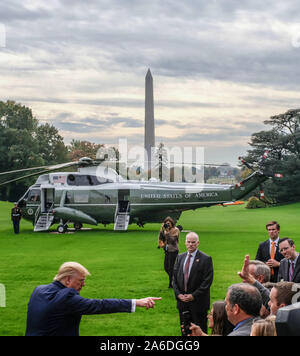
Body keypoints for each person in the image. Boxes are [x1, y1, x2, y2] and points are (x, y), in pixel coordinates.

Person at [25, 261, 161, 336]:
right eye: (81, 281)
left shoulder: (38, 290)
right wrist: (137, 302)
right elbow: (100, 305)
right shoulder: (66, 298)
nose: (83, 284)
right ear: (67, 280)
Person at [172, 232, 213, 334]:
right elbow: (174, 279)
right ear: (185, 242)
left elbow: (207, 282)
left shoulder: (206, 259)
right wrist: (178, 295)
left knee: (200, 330)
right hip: (182, 303)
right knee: (185, 331)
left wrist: (193, 296)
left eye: (193, 242)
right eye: (188, 242)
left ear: (198, 243)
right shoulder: (180, 257)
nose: (190, 244)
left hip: (198, 303)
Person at [158, 217, 180, 288]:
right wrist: (161, 229)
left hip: (173, 250)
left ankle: (171, 284)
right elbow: (161, 238)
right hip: (167, 250)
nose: (168, 225)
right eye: (166, 223)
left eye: (169, 223)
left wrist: (167, 232)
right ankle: (175, 279)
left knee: (171, 268)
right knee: (166, 267)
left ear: (172, 223)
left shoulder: (176, 230)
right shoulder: (165, 230)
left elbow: (172, 240)